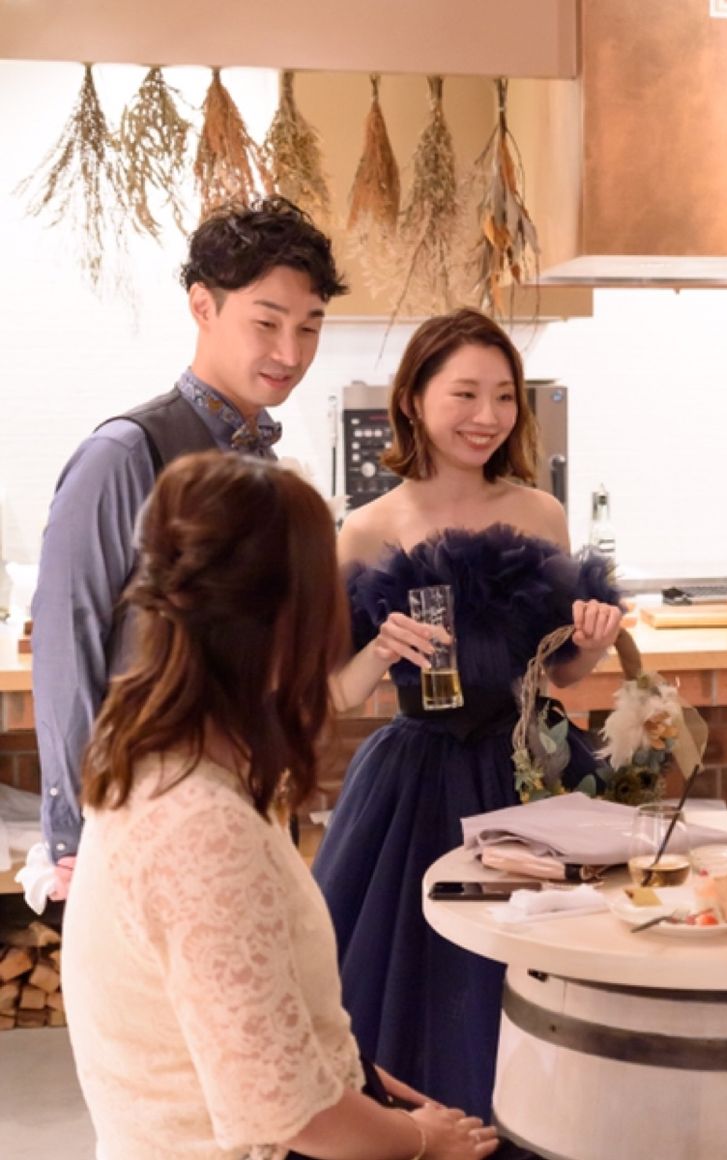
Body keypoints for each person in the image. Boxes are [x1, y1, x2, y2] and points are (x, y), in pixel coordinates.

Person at [62, 451, 500, 1160]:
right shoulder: (199, 827)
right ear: (287, 618)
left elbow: (275, 1032)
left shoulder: (167, 756)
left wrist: (388, 1095)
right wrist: (423, 1139)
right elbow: (289, 1113)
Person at [313, 308, 624, 1122]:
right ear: (412, 400)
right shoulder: (366, 528)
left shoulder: (540, 513)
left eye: (504, 396)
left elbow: (557, 674)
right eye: (464, 394)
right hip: (413, 786)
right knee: (415, 980)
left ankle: (533, 1124)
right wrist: (381, 651)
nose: (487, 416)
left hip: (533, 774)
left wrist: (592, 645)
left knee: (540, 971)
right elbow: (334, 691)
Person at [30, 196, 346, 904]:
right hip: (144, 814)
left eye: (310, 327)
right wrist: (78, 834)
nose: (290, 353)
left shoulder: (266, 467)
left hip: (247, 800)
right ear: (203, 306)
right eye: (266, 322)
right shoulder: (125, 453)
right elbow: (66, 646)